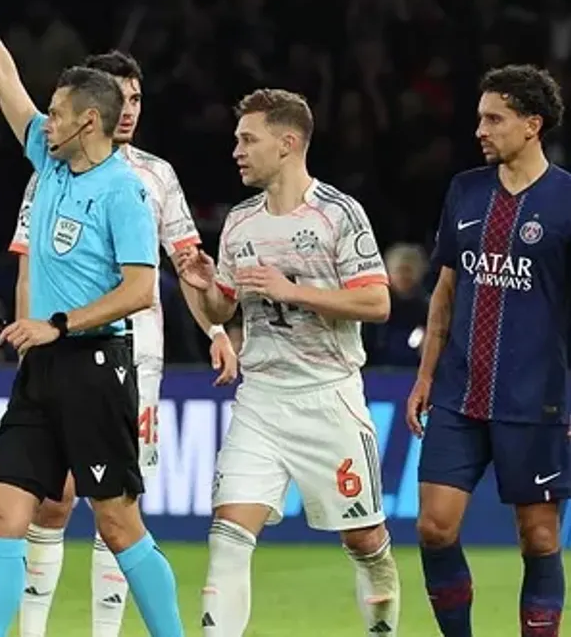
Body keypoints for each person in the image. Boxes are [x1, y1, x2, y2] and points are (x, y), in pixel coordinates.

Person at [0, 0, 183, 637]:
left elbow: (141, 289)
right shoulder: (48, 159)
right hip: (41, 371)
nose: (44, 118)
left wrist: (59, 322)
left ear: (88, 122)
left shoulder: (124, 192)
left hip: (95, 367)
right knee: (3, 514)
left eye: (57, 110)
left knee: (117, 523)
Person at [8, 50, 237, 637]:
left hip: (136, 360)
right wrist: (30, 338)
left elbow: (186, 264)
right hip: (61, 351)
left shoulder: (156, 176)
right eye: (120, 97)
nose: (129, 109)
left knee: (116, 509)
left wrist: (215, 329)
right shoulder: (52, 168)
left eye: (137, 98)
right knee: (54, 501)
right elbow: (29, 264)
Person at [175, 89, 400, 636]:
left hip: (328, 394)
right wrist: (208, 289)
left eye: (248, 139)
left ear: (288, 143)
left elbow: (377, 302)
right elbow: (226, 308)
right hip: (261, 397)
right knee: (228, 535)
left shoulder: (338, 214)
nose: (236, 151)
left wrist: (293, 291)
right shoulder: (240, 222)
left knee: (365, 541)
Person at [408, 65, 570, 637]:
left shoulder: (566, 200)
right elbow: (446, 290)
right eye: (480, 118)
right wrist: (425, 375)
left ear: (532, 125)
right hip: (459, 392)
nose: (481, 129)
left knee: (539, 538)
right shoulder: (466, 190)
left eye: (494, 119)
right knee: (434, 527)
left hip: (537, 400)